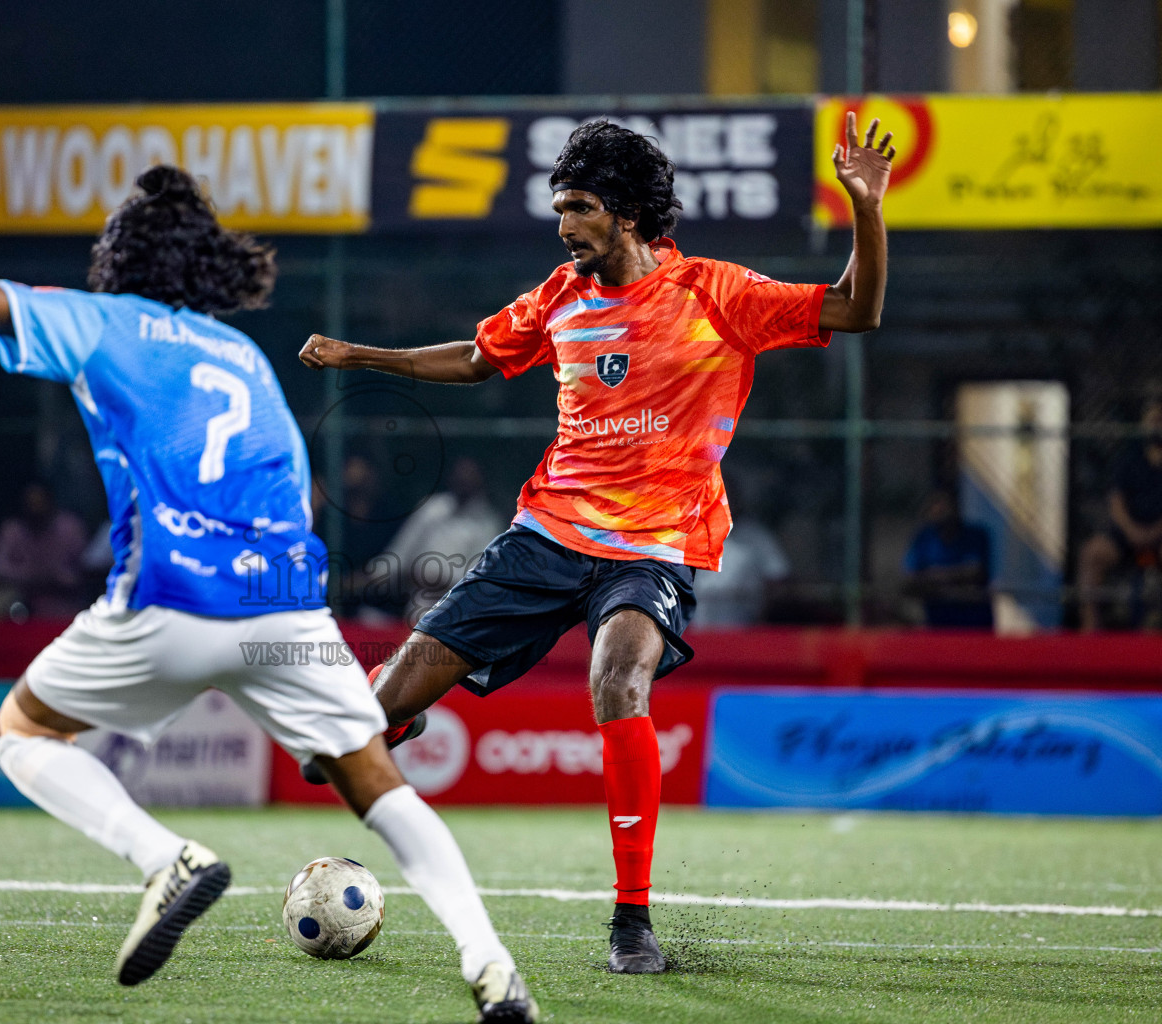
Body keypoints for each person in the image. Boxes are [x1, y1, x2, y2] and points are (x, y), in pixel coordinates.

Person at [0, 166, 536, 1022]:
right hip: (284, 606)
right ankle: (491, 964)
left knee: (23, 732)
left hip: (169, 595)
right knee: (382, 788)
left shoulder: (103, 323)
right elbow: (293, 496)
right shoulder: (245, 358)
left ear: (119, 258)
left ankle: (163, 857)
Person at [299, 113, 895, 973]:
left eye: (578, 207)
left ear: (625, 212)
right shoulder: (560, 297)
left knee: (618, 678)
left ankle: (631, 920)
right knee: (360, 725)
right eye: (559, 208)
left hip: (653, 544)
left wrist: (866, 207)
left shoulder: (715, 293)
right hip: (546, 534)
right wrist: (362, 356)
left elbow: (857, 310)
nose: (564, 225)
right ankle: (396, 715)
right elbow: (477, 357)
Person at [374, 456, 506, 623]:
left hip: (462, 613)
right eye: (460, 474)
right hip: (415, 606)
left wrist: (435, 580)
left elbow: (479, 580)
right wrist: (372, 576)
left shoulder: (488, 524)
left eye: (470, 475)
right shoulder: (432, 508)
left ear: (481, 479)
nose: (464, 479)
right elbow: (400, 553)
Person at [1078, 396, 1162, 631]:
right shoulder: (1129, 458)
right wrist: (1132, 531)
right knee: (1092, 553)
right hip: (1128, 536)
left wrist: (1154, 532)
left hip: (1159, 536)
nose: (1157, 426)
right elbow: (1116, 502)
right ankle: (1090, 627)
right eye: (1153, 420)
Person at [0, 481, 89, 620]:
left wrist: (57, 577)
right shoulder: (12, 530)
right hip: (20, 594)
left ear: (50, 502)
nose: (36, 508)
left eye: (40, 503)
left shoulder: (70, 527)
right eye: (31, 503)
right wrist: (31, 576)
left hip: (61, 596)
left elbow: (86, 566)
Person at [902, 489, 994, 628]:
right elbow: (911, 578)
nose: (940, 511)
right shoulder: (924, 538)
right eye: (935, 507)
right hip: (937, 618)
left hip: (973, 618)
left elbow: (976, 572)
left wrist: (933, 577)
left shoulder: (976, 535)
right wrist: (954, 578)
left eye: (945, 506)